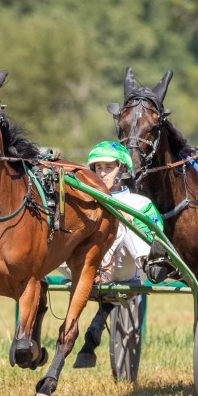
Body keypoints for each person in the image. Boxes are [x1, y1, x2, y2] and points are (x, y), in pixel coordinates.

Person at [73, 140, 163, 369]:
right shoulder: (84, 200)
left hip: (124, 268)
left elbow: (157, 239)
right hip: (85, 269)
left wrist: (127, 219)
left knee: (122, 219)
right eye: (98, 168)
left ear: (122, 169)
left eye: (108, 168)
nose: (102, 173)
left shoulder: (140, 203)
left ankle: (149, 266)